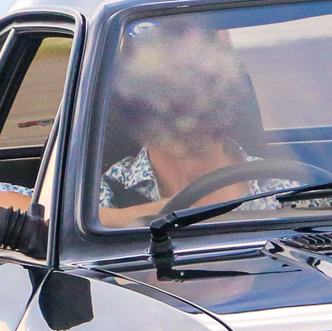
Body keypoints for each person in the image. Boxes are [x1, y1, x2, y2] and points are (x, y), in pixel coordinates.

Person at [97, 23, 320, 227]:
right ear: (135, 105)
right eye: (162, 90)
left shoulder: (289, 191)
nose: (187, 107)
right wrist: (141, 215)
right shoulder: (95, 199)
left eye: (204, 84)